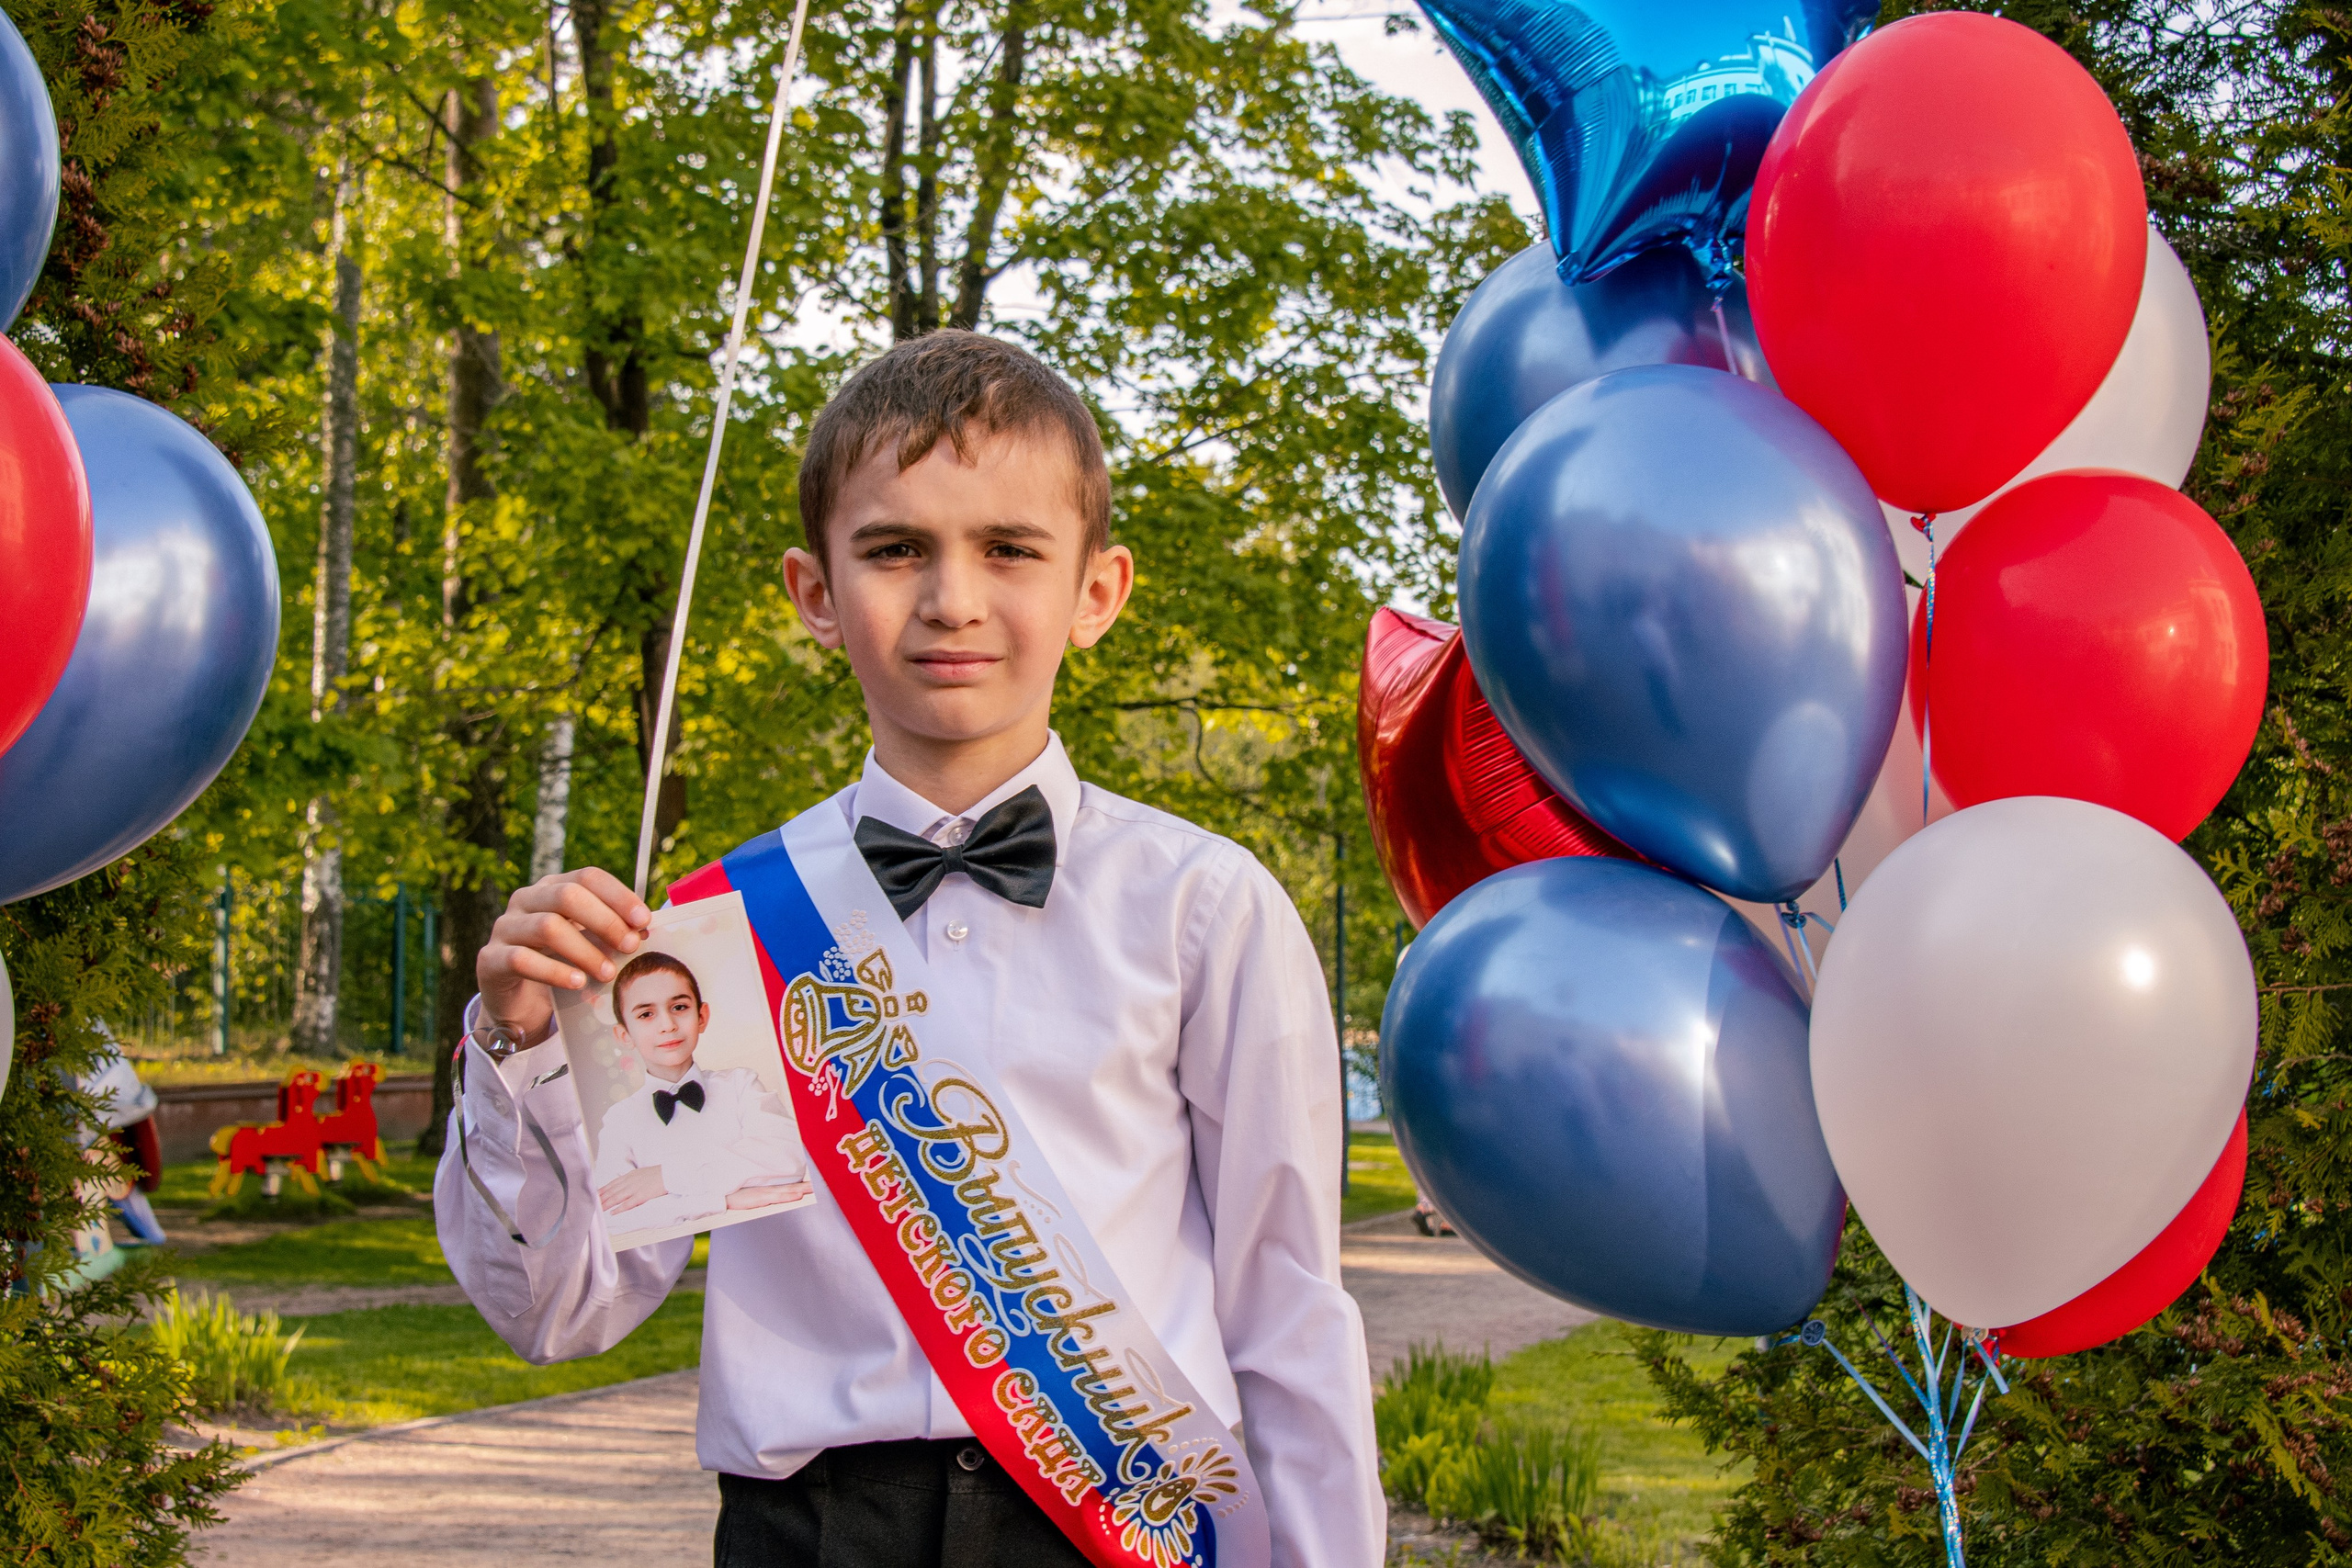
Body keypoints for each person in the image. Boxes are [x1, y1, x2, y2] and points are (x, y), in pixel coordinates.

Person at [437, 330, 1381, 1566]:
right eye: (894, 549)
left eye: (1010, 548)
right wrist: (519, 1042)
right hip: (810, 1533)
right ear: (815, 593)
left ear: (1097, 592)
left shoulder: (1206, 907)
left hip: (1113, 1531)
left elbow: (1289, 1307)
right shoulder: (717, 928)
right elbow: (562, 1309)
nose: (952, 599)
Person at [588, 951, 811, 1233]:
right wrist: (722, 1201)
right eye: (646, 1014)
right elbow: (612, 1217)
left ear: (702, 1016)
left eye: (679, 1007)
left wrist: (664, 1178)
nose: (667, 1025)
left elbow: (788, 1156)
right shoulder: (620, 1120)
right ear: (625, 1035)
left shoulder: (740, 1085)